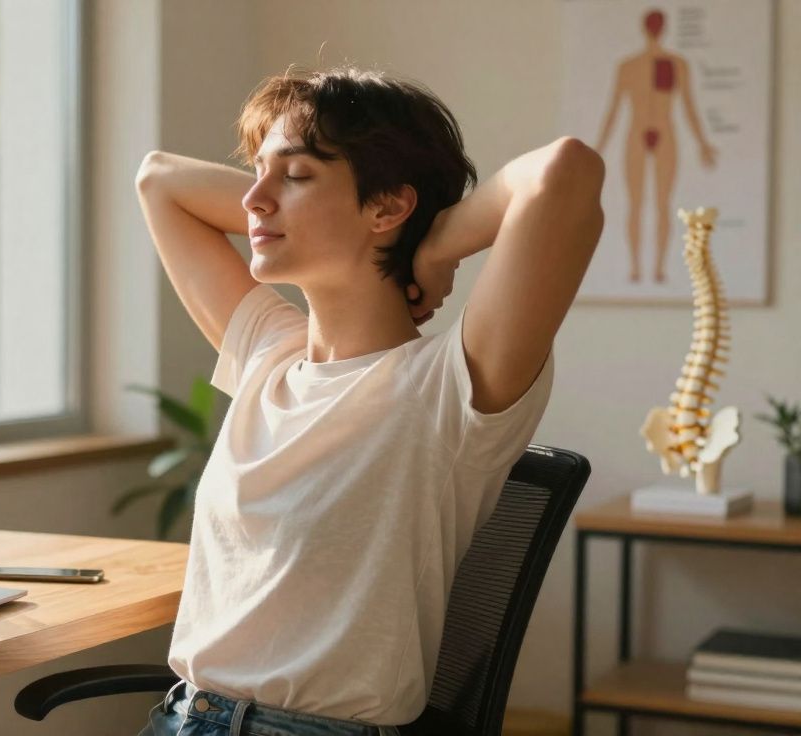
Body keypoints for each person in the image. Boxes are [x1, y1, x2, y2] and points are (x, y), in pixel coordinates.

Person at [134, 65, 604, 736]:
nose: (254, 202)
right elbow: (158, 180)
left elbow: (567, 172)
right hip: (182, 717)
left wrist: (436, 244)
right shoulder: (269, 355)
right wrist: (308, 198)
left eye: (293, 176)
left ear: (388, 206)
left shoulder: (450, 385)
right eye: (258, 174)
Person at [597, 8, 717, 284]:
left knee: (661, 203)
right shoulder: (628, 66)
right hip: (638, 133)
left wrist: (702, 143)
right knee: (638, 203)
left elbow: (688, 106)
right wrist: (597, 148)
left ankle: (657, 269)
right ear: (662, 29)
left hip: (663, 133)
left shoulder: (675, 64)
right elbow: (613, 109)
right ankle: (637, 268)